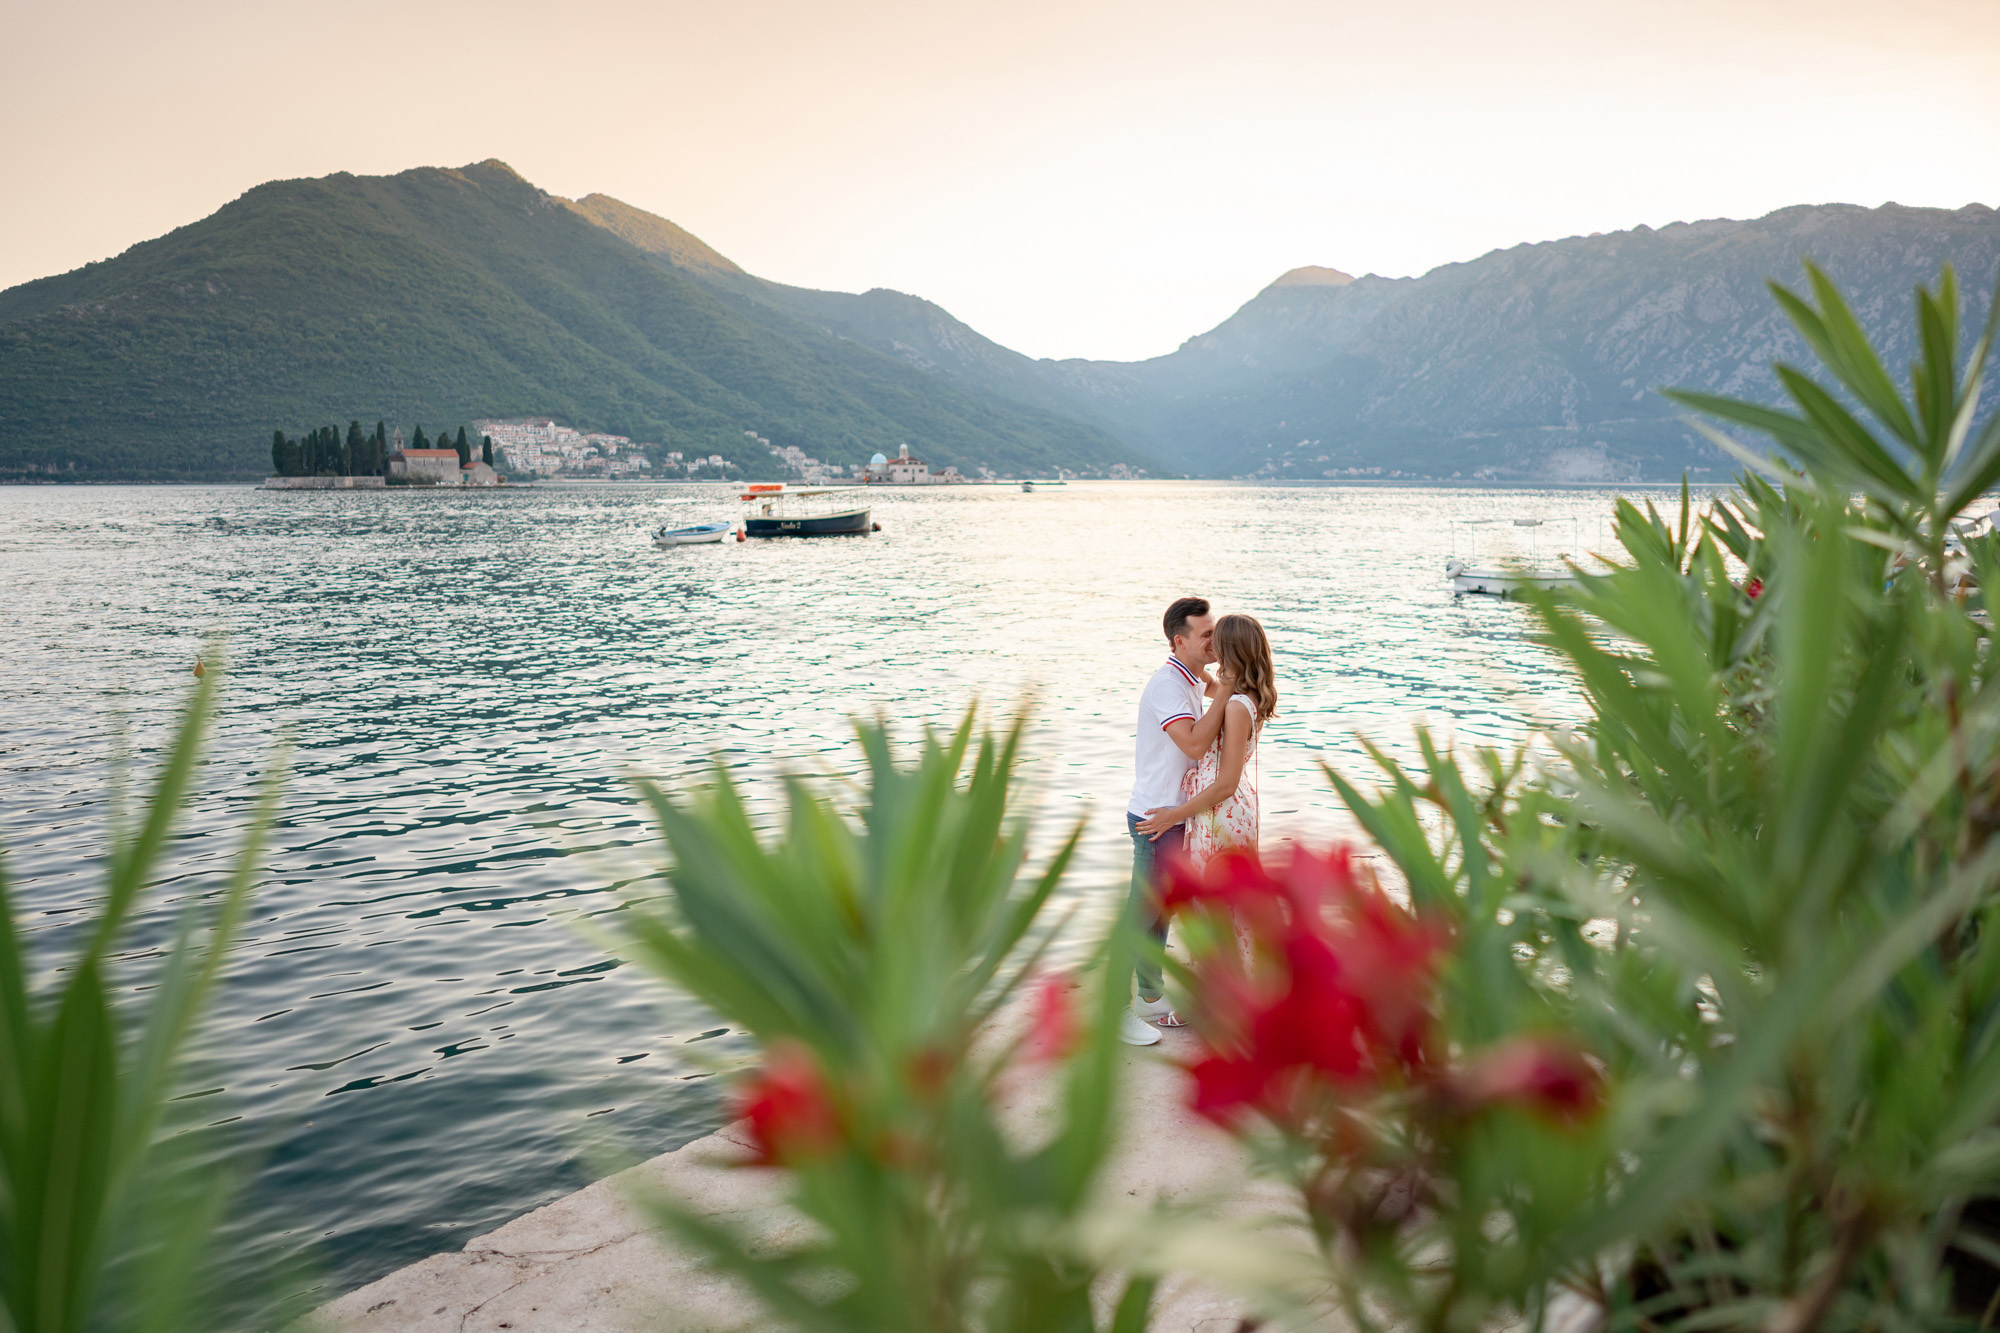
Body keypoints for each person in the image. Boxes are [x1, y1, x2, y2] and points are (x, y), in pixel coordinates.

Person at [1120, 596, 1234, 1046]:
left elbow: (1219, 688)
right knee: (1140, 915)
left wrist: (1234, 682)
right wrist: (1225, 691)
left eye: (1216, 631)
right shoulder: (1167, 685)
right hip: (1155, 818)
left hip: (1176, 816)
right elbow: (1191, 744)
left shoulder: (1192, 676)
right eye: (1206, 635)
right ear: (1179, 640)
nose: (1214, 640)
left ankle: (1149, 997)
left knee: (1160, 914)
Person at [1137, 613, 1278, 873]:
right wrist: (1184, 652)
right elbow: (1207, 682)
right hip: (1220, 809)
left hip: (1221, 813)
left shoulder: (1236, 706)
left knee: (1217, 904)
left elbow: (1226, 784)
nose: (1211, 646)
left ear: (1228, 650)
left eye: (1216, 641)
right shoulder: (1245, 694)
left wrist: (1173, 816)